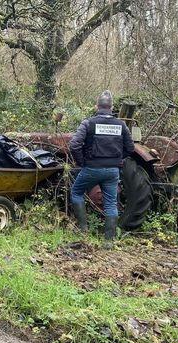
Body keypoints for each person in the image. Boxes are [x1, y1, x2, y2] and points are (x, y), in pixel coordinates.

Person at [69, 90, 134, 246]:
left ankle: (83, 229)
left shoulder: (88, 123)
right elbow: (130, 148)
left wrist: (82, 162)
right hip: (112, 171)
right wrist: (117, 159)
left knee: (76, 192)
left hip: (91, 168)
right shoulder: (121, 125)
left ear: (96, 106)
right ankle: (108, 242)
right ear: (111, 107)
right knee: (111, 203)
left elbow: (74, 145)